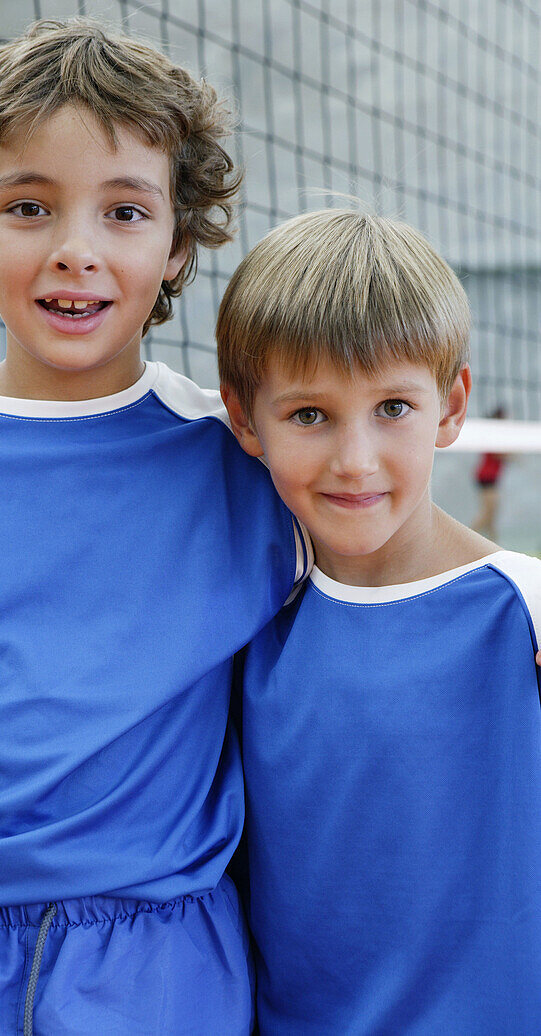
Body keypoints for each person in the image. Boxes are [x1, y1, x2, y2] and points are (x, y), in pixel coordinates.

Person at [0, 18, 309, 1034]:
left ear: (175, 249)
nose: (75, 250)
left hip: (153, 967)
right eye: (29, 205)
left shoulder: (243, 465)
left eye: (125, 211)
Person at [216, 208, 541, 1033]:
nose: (353, 459)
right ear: (244, 418)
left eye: (392, 407)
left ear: (450, 404)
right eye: (309, 415)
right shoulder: (241, 629)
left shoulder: (523, 614)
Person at [471, 407, 509, 539]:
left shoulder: (498, 432)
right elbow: (498, 454)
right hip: (487, 477)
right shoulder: (494, 432)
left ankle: (495, 545)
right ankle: (470, 537)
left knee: (492, 514)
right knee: (488, 512)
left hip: (490, 477)